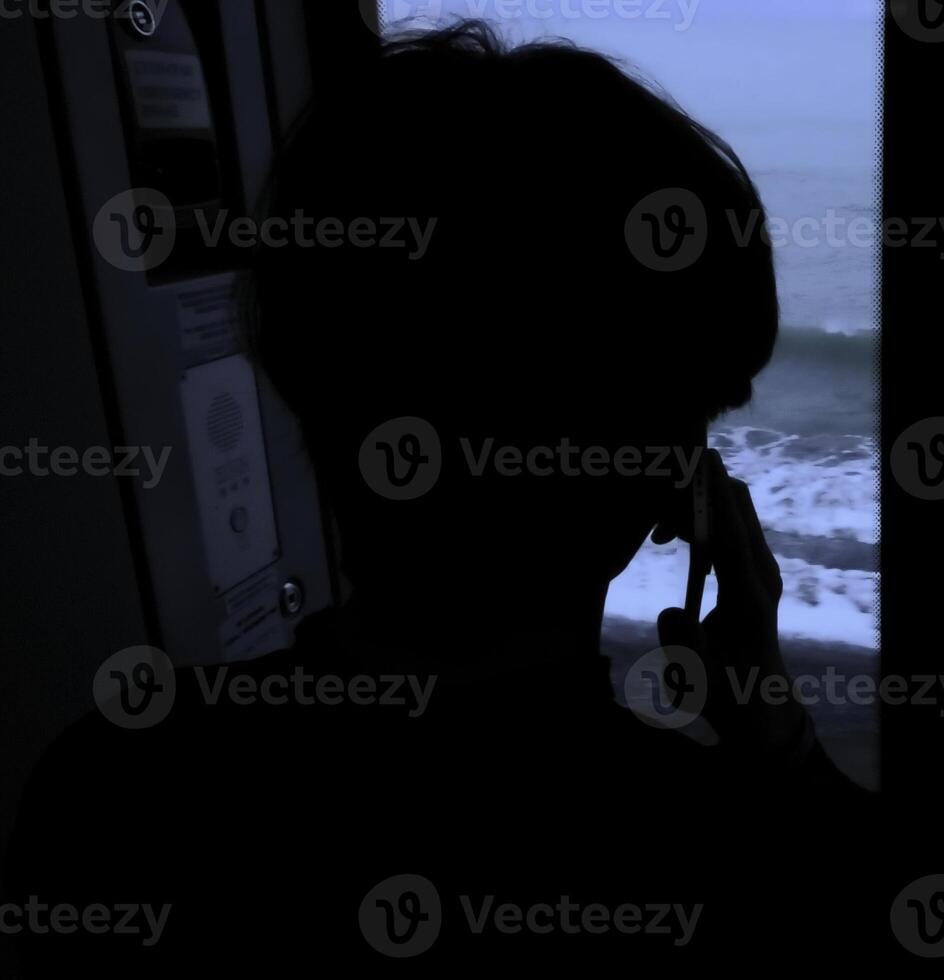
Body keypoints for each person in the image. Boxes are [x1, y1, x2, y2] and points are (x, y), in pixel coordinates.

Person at [6, 21, 865, 971]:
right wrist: (778, 743)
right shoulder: (747, 868)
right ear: (674, 484)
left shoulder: (108, 791)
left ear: (304, 384)